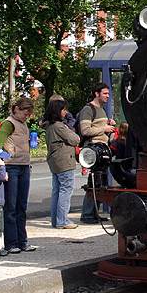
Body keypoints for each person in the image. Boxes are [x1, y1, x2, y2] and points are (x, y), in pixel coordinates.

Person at [0, 97, 36, 254]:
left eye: (28, 114)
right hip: (11, 166)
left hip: (24, 166)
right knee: (11, 206)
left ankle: (22, 241)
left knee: (21, 206)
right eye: (25, 113)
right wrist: (0, 161)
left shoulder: (23, 124)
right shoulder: (8, 123)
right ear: (16, 109)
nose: (27, 116)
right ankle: (12, 243)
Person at [78, 83, 116, 224]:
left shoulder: (102, 110)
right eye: (105, 93)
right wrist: (104, 128)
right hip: (94, 150)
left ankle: (93, 213)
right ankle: (87, 214)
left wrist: (107, 125)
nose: (107, 96)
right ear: (96, 93)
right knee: (94, 182)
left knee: (100, 182)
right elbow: (85, 130)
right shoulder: (88, 110)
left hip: (102, 149)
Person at [44, 98, 80, 229]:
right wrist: (69, 130)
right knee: (66, 190)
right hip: (64, 161)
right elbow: (75, 139)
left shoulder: (49, 125)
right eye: (64, 110)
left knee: (57, 191)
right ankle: (62, 220)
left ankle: (56, 220)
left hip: (54, 161)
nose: (66, 112)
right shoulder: (59, 126)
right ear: (58, 111)